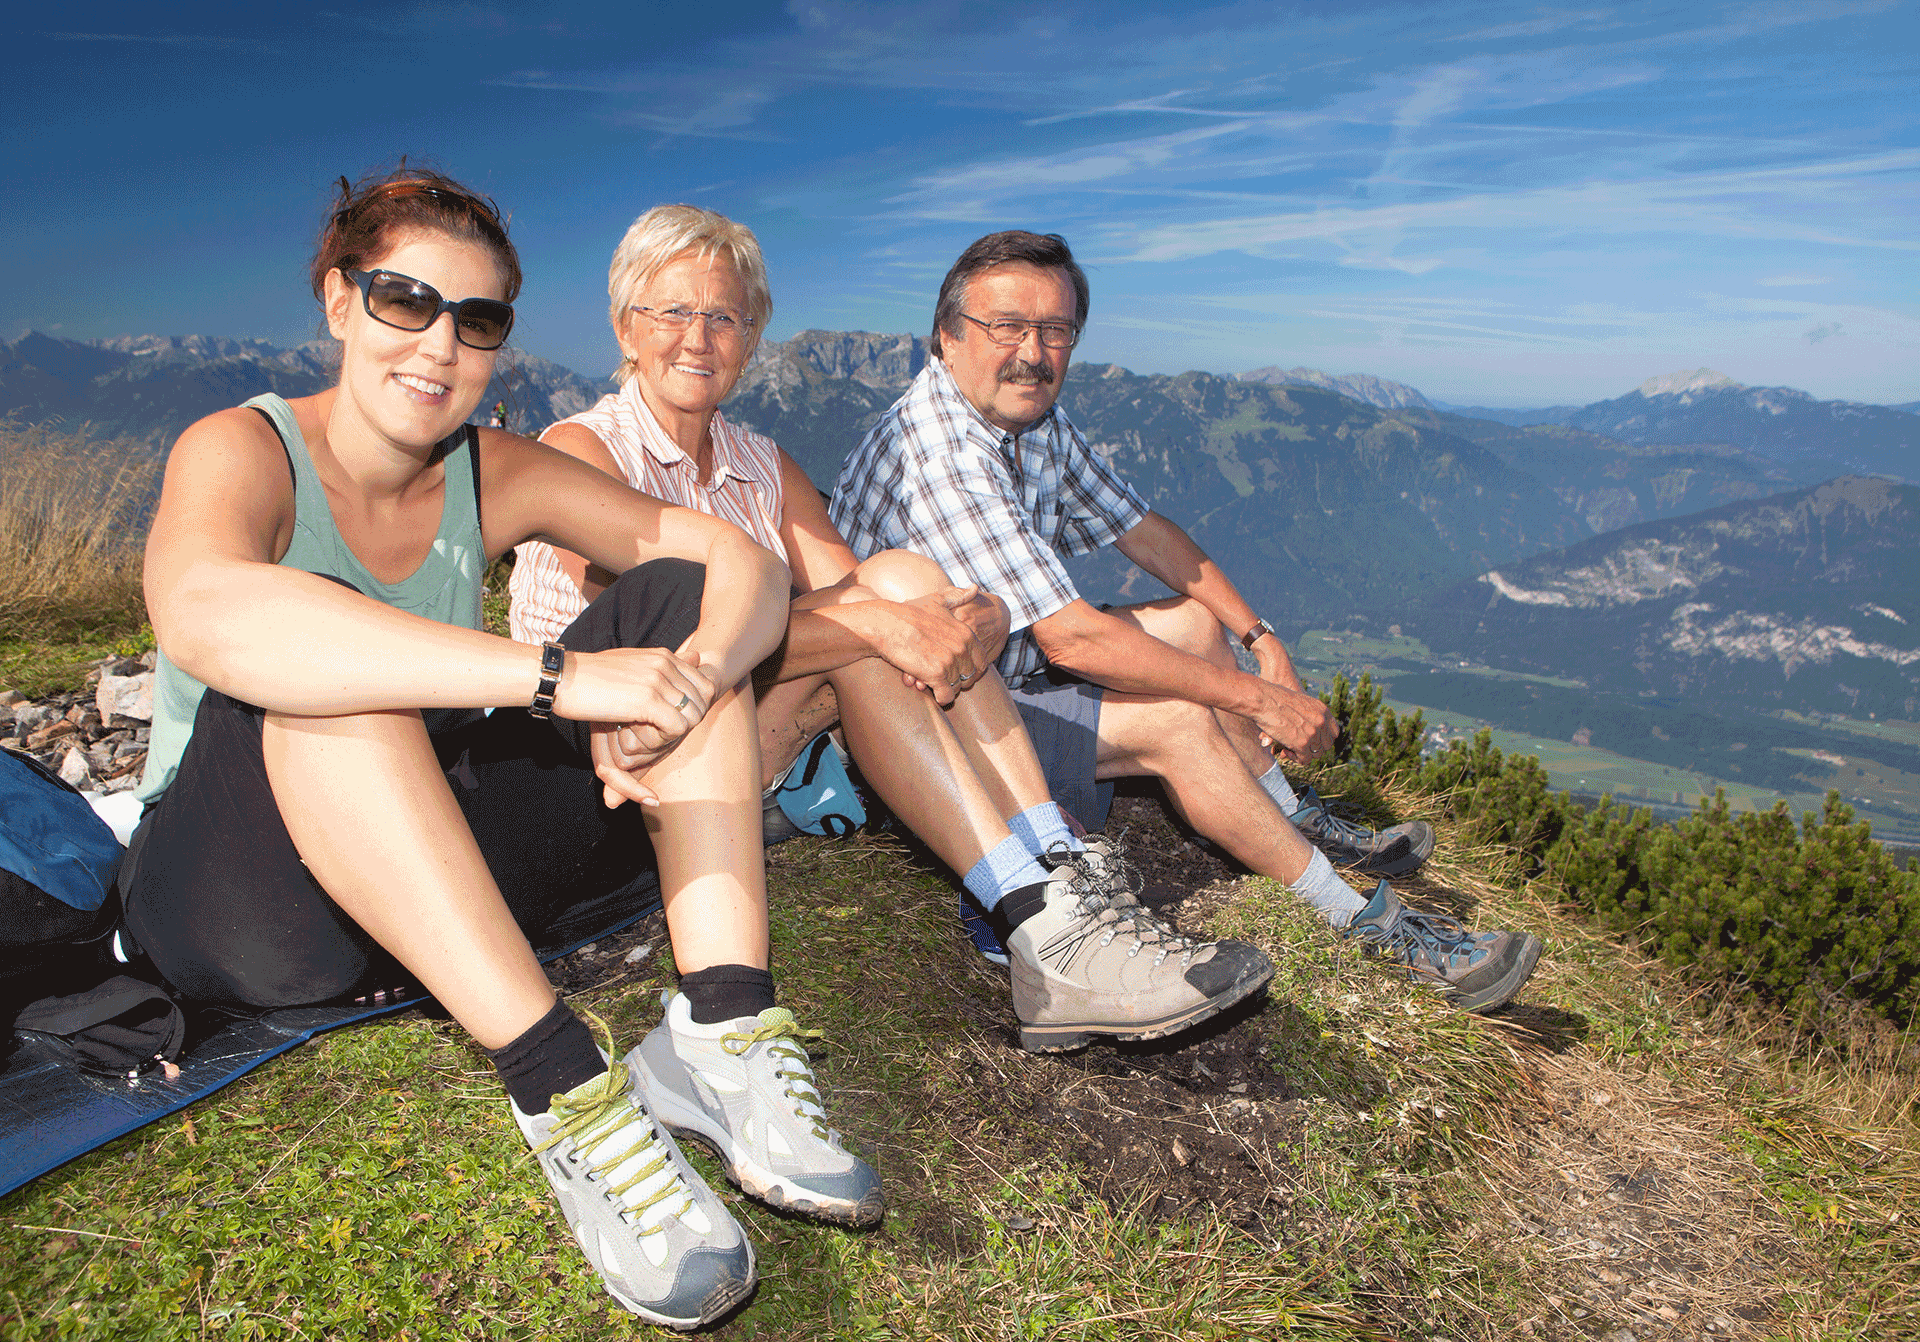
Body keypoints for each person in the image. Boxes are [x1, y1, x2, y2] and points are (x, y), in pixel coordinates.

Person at [120, 168, 879, 1332]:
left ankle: (722, 1033)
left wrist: (687, 677)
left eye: (476, 321)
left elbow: (747, 567)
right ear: (338, 301)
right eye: (403, 300)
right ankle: (570, 1095)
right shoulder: (244, 448)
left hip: (402, 866)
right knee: (337, 659)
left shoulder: (491, 466)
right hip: (230, 899)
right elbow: (206, 609)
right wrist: (562, 680)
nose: (439, 345)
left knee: (676, 596)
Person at [510, 204, 1275, 1054]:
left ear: (753, 335)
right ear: (626, 324)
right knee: (878, 624)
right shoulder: (582, 452)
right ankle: (1040, 911)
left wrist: (975, 607)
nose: (700, 337)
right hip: (614, 772)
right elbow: (653, 656)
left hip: (737, 740)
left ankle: (1049, 877)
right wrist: (888, 621)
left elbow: (869, 593)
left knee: (903, 585)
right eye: (673, 312)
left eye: (725, 315)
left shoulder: (758, 462)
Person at [830, 231, 1542, 1014]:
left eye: (1055, 331)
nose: (1032, 352)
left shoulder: (1025, 420)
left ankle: (1283, 810)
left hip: (999, 669)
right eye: (1007, 326)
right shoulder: (942, 450)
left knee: (1194, 625)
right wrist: (1254, 700)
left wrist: (1257, 638)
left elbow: (1141, 529)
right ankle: (1367, 922)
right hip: (941, 727)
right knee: (1179, 720)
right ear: (948, 335)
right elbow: (1071, 639)